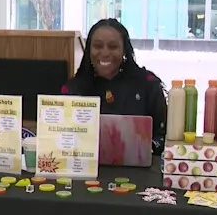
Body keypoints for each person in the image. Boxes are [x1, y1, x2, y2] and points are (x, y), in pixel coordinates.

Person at [62, 18, 167, 154]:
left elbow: (164, 136)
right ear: (89, 50)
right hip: (84, 171)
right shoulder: (72, 90)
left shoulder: (148, 85)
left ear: (124, 50)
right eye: (98, 46)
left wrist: (147, 148)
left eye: (113, 47)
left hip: (140, 172)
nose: (105, 53)